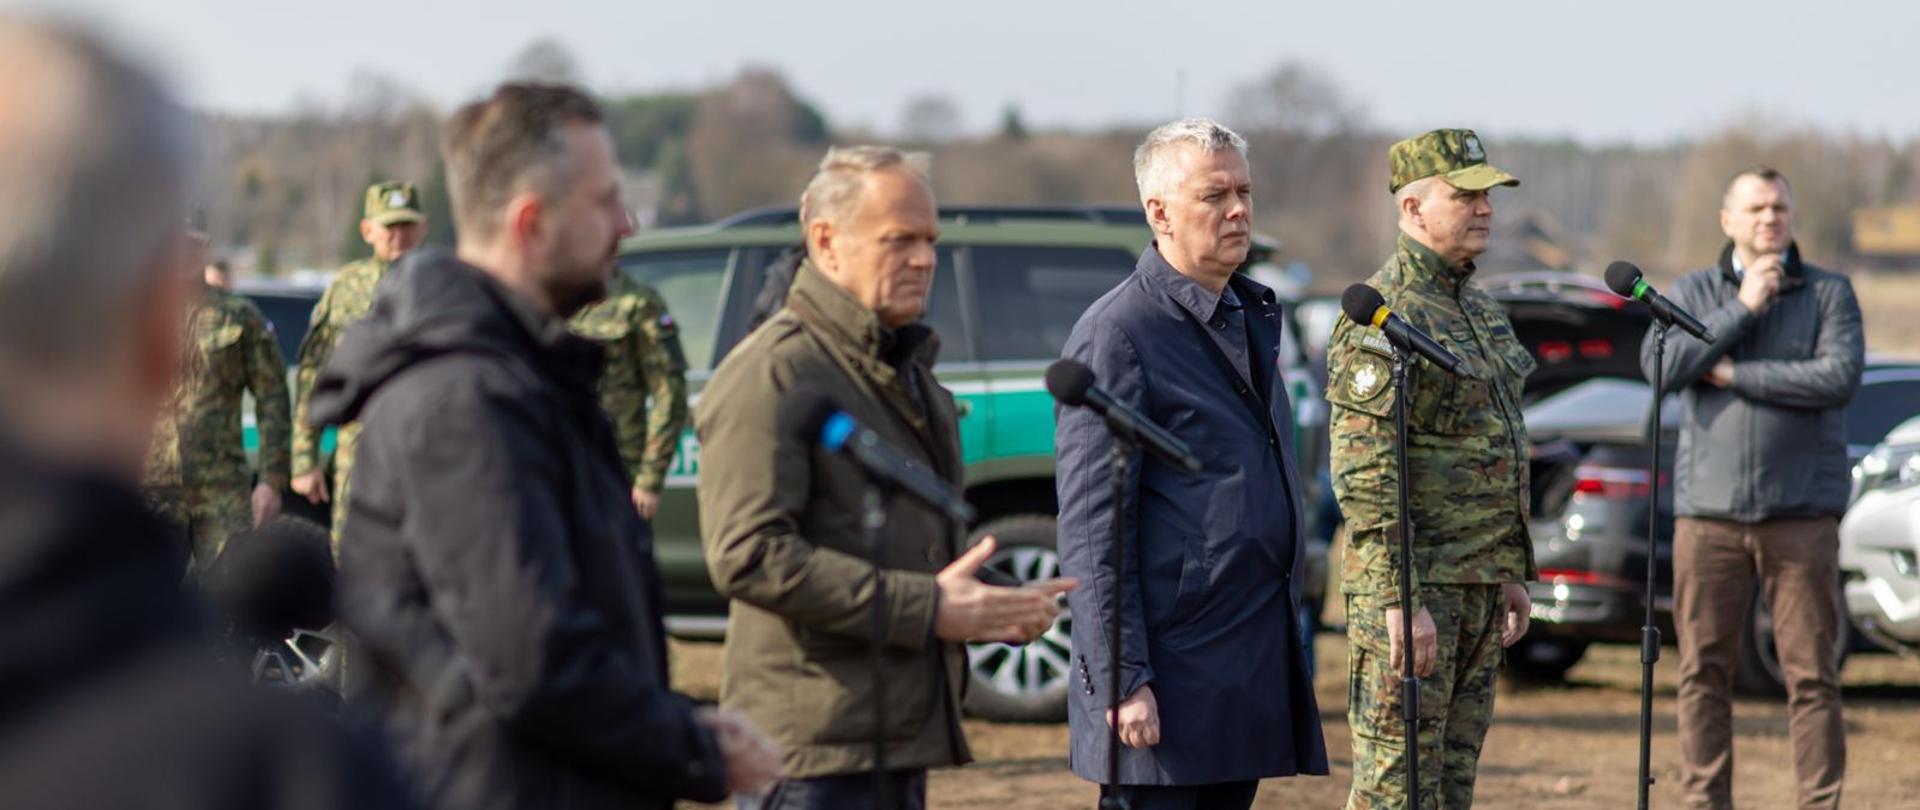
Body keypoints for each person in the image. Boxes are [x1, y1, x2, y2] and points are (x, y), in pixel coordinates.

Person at [307, 82, 780, 810]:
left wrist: (676, 722)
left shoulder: (525, 379)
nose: (625, 224)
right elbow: (531, 662)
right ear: (530, 223)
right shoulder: (465, 404)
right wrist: (692, 747)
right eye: (603, 202)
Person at [0, 16, 413, 809]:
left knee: (220, 603)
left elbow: (278, 388)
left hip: (218, 480)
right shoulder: (284, 772)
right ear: (159, 337)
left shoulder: (238, 320)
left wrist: (273, 472)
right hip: (146, 482)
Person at [696, 145, 1075, 810]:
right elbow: (748, 556)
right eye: (900, 240)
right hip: (808, 754)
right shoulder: (774, 372)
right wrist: (929, 609)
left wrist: (996, 602)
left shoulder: (906, 373)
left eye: (929, 240)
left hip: (895, 740)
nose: (925, 259)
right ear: (826, 242)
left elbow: (913, 545)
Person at [1053, 118, 1327, 810]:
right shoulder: (1121, 333)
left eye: (1244, 191)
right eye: (1214, 196)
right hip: (1169, 675)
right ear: (1160, 213)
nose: (1237, 210)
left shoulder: (1246, 314)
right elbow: (1092, 530)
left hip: (1241, 665)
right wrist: (1124, 677)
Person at [1325, 129, 1537, 809]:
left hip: (1475, 582)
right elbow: (1365, 471)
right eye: (1465, 195)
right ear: (1413, 210)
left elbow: (1493, 442)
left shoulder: (1478, 308)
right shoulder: (1382, 314)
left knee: (1450, 786)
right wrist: (1399, 599)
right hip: (1417, 589)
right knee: (1398, 789)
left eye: (1488, 197)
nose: (1484, 210)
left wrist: (1507, 569)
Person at [1645, 167, 1860, 810]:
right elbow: (1663, 369)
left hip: (1800, 518)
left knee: (1812, 677)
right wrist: (1742, 310)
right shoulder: (1694, 291)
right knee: (1701, 673)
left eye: (1781, 208)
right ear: (1727, 221)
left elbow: (1837, 379)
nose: (1771, 219)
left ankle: (1819, 802)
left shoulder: (1828, 294)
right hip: (1707, 519)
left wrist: (1737, 372)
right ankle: (1705, 802)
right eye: (1758, 208)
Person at [143, 211, 291, 567]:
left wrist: (271, 479)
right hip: (150, 485)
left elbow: (272, 398)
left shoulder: (239, 315)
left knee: (230, 600)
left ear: (206, 248)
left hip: (220, 488)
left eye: (192, 245)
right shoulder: (140, 312)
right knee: (144, 603)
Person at [291, 180, 425, 542]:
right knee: (353, 560)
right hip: (359, 450)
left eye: (407, 225)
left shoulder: (443, 282)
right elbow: (314, 373)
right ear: (367, 230)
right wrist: (306, 458)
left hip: (428, 448)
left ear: (422, 228)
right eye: (390, 226)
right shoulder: (346, 287)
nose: (400, 235)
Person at [569, 271, 689, 520]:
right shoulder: (548, 295)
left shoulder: (637, 303)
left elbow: (669, 392)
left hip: (616, 470)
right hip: (562, 470)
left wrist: (649, 479)